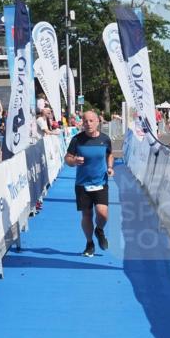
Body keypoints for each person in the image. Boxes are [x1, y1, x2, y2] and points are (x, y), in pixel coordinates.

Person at [65, 110, 114, 257]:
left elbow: (109, 154)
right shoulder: (76, 140)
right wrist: (73, 161)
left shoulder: (105, 139)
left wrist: (110, 167)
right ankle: (89, 243)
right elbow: (67, 158)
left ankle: (99, 230)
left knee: (102, 214)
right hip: (82, 184)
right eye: (85, 121)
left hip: (101, 182)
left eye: (91, 121)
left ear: (98, 122)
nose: (88, 124)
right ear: (82, 123)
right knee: (86, 215)